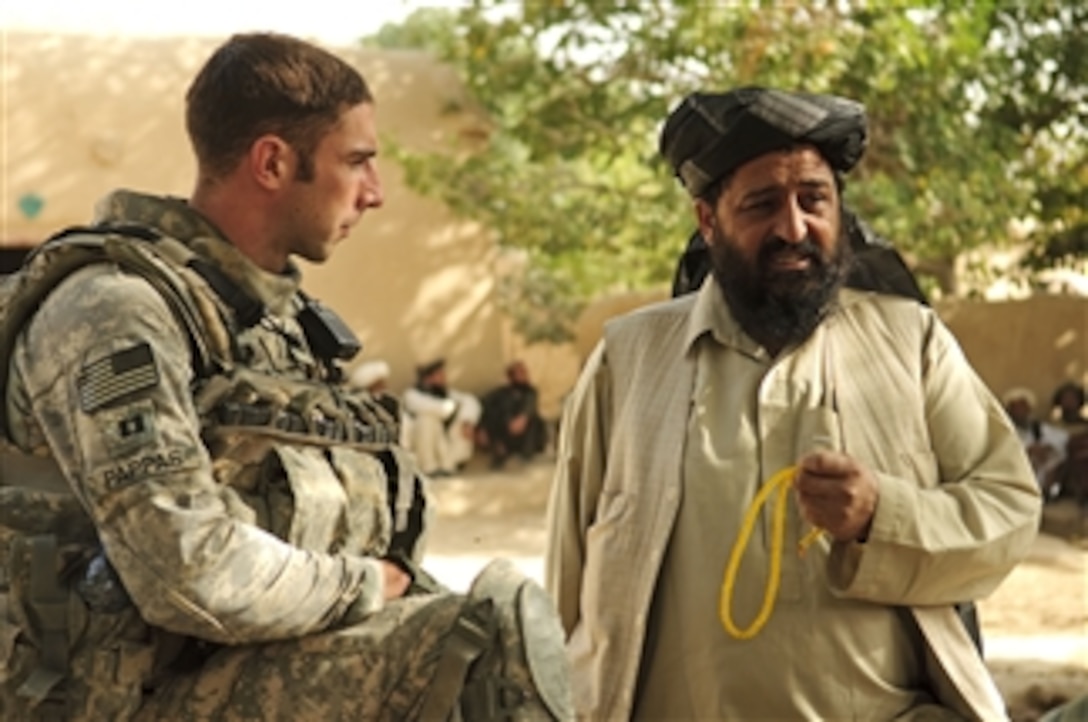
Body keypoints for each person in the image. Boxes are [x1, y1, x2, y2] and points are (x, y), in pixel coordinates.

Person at [0, 33, 570, 721]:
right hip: (119, 696)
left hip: (241, 664)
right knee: (483, 642)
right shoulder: (116, 311)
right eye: (357, 162)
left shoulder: (277, 327)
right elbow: (179, 566)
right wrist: (365, 586)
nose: (376, 194)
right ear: (272, 162)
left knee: (487, 615)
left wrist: (390, 587)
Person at [545, 86, 1041, 721]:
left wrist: (881, 516)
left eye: (814, 199)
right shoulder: (627, 360)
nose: (794, 227)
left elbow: (1010, 508)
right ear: (707, 220)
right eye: (761, 204)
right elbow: (567, 584)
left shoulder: (911, 342)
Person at [402, 358, 482, 476]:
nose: (444, 377)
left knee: (461, 420)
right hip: (419, 446)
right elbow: (441, 410)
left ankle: (447, 466)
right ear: (428, 378)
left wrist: (468, 422)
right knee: (427, 419)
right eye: (439, 374)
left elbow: (470, 401)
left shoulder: (447, 393)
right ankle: (428, 467)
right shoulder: (412, 395)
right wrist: (454, 406)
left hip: (444, 444)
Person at [477, 360, 549, 469]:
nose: (524, 376)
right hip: (505, 432)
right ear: (511, 376)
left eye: (524, 373)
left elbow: (528, 408)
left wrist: (522, 418)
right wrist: (481, 428)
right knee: (495, 415)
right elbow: (482, 405)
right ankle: (500, 451)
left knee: (535, 421)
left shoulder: (530, 392)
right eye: (519, 373)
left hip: (525, 435)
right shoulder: (500, 394)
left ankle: (525, 456)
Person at [1003, 387, 1068, 499]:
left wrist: (1047, 448)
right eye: (1016, 407)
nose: (1020, 410)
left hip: (1041, 469)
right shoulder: (1004, 429)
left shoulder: (1037, 428)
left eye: (1023, 407)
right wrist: (1028, 450)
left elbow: (1061, 439)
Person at [1050, 381, 1088, 504]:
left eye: (1072, 398)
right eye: (1066, 398)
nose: (1069, 402)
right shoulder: (1052, 426)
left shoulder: (1085, 425)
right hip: (1059, 458)